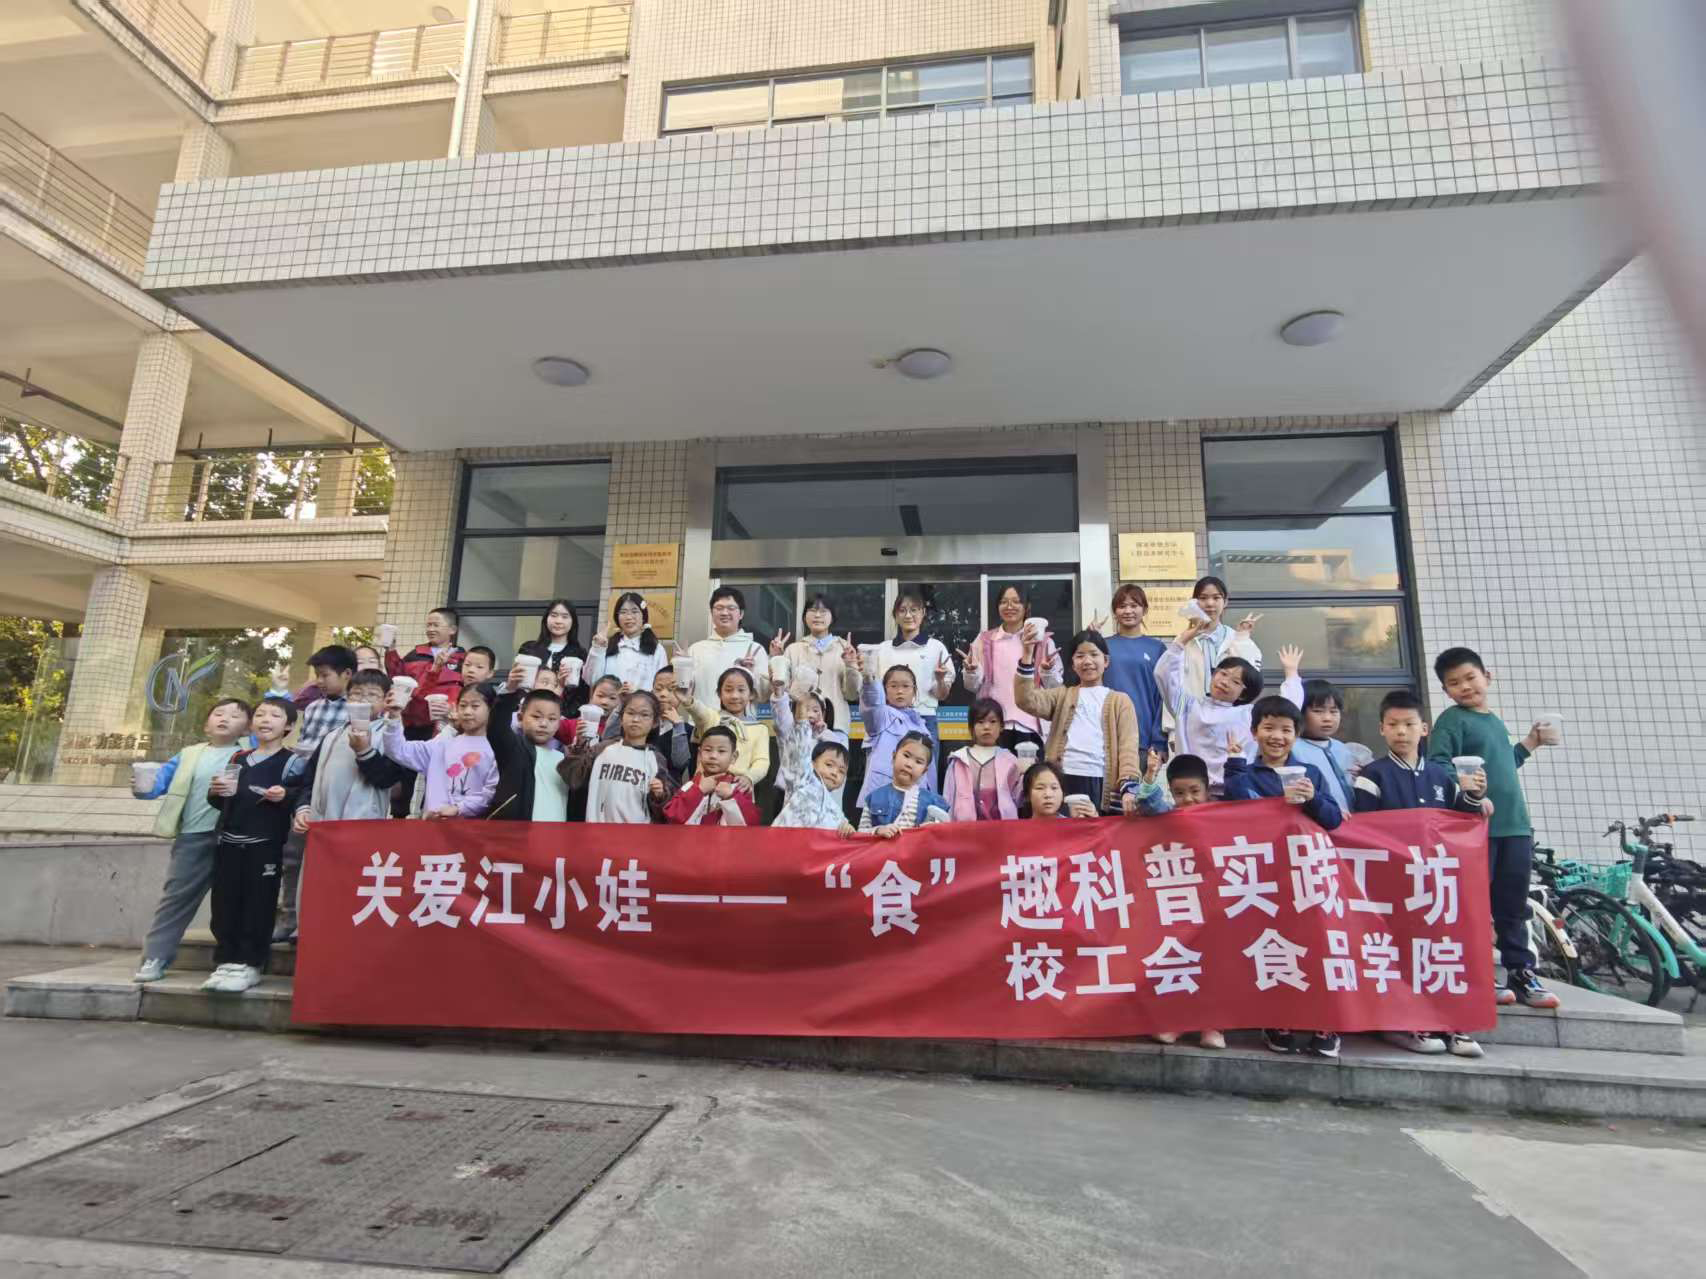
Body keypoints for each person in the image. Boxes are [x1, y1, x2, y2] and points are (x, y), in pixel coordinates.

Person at [1357, 688, 1490, 1059]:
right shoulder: (1372, 776)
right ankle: (1402, 1023)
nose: (1402, 731)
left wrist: (1474, 796)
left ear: (1424, 728)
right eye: (1393, 725)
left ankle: (1449, 1022)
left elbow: (1461, 823)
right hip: (1391, 885)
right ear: (1381, 729)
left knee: (1438, 952)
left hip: (1436, 882)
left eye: (1409, 724)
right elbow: (1362, 830)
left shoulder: (1441, 776)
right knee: (1398, 952)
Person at [1428, 646, 1561, 1010]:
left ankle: (1521, 972)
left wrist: (1531, 743)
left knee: (1513, 906)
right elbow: (1437, 765)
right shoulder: (1452, 721)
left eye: (1470, 678)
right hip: (1476, 828)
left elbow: (1504, 762)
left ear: (1488, 677)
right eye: (1454, 682)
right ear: (1446, 691)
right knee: (1473, 906)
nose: (1465, 687)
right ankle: (1476, 974)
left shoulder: (1494, 722)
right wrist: (1464, 785)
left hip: (1515, 826)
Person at [1222, 695, 1344, 1061]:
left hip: (1307, 878)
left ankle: (1326, 1022)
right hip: (1264, 881)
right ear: (1254, 732)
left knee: (1317, 946)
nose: (1277, 736)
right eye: (1269, 728)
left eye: (1286, 729)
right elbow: (1236, 808)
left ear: (1297, 734)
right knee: (1272, 947)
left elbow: (1333, 820)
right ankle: (1278, 1019)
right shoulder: (1246, 774)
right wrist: (1234, 764)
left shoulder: (1312, 774)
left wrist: (1312, 799)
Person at [130, 698, 252, 983]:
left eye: (235, 716)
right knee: (176, 899)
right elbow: (157, 785)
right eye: (218, 713)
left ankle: (233, 960)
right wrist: (141, 788)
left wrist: (279, 689)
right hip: (193, 837)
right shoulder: (188, 755)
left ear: (247, 728)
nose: (225, 718)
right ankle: (155, 957)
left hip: (236, 838)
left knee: (233, 902)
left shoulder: (250, 753)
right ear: (206, 724)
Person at [201, 696, 300, 994]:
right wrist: (216, 792)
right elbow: (220, 802)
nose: (265, 720)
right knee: (224, 902)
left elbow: (301, 796)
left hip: (265, 844)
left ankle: (250, 963)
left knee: (258, 904)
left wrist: (285, 795)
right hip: (229, 842)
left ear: (289, 726)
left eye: (275, 716)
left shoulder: (292, 761)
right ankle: (226, 960)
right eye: (260, 714)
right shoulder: (238, 759)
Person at [1157, 616, 1302, 790]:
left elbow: (1288, 709)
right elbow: (1164, 674)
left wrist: (1291, 673)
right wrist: (1182, 640)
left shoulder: (1249, 714)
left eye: (1235, 682)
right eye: (1223, 674)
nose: (1225, 682)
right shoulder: (1186, 706)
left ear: (1243, 694)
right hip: (1194, 794)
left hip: (1236, 792)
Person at [275, 643, 356, 940]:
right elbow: (305, 746)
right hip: (308, 789)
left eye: (325, 675)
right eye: (317, 675)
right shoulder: (313, 708)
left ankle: (322, 921)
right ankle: (290, 918)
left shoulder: (356, 710)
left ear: (347, 674)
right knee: (293, 856)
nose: (319, 681)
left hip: (337, 790)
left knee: (332, 861)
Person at [1014, 629, 1143, 815]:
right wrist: (1027, 655)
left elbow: (1128, 747)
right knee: (1063, 831)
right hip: (1063, 778)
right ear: (1073, 664)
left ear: (1106, 661)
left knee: (1097, 831)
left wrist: (1129, 788)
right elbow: (1026, 700)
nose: (1087, 661)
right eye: (1080, 656)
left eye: (1094, 654)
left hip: (1101, 781)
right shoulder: (1062, 696)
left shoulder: (1120, 701)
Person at [1149, 750, 1225, 1051]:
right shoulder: (1165, 816)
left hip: (1215, 904)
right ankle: (1176, 1021)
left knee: (1214, 965)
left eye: (1195, 791)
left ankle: (1213, 1025)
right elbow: (1146, 802)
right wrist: (1149, 778)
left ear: (1208, 789)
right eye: (1179, 793)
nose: (1188, 799)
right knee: (1180, 960)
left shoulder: (1222, 816)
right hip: (1178, 902)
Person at [290, 670, 402, 838]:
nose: (363, 699)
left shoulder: (389, 735)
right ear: (347, 699)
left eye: (372, 694)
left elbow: (387, 779)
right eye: (356, 693)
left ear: (385, 701)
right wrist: (304, 807)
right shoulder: (332, 736)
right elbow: (309, 778)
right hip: (322, 826)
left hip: (363, 829)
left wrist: (364, 751)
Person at [960, 585, 1062, 750]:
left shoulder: (1043, 641)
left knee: (1029, 767)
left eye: (1016, 601)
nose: (1009, 606)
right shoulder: (985, 640)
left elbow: (1055, 686)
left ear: (1026, 607)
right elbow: (972, 686)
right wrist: (971, 671)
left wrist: (1048, 671)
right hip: (994, 725)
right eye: (1004, 602)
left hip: (1031, 725)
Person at [377, 682, 497, 818]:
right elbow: (397, 750)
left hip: (472, 827)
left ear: (491, 709)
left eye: (475, 706)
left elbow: (490, 793)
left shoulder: (496, 748)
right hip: (432, 825)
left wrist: (458, 809)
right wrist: (394, 717)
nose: (467, 712)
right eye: (463, 706)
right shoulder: (443, 743)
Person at [868, 592, 954, 755]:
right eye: (902, 610)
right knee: (887, 768)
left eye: (914, 610)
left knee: (925, 769)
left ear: (923, 613)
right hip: (889, 720)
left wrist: (940, 680)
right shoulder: (883, 649)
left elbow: (942, 695)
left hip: (924, 718)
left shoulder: (936, 647)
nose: (908, 615)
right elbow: (873, 691)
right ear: (895, 615)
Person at [1093, 584, 1168, 759]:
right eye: (1122, 606)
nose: (1128, 611)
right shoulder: (1102, 646)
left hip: (1143, 740)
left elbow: (1162, 698)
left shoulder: (1157, 648)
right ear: (1115, 612)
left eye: (1134, 605)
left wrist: (1159, 741)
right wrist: (1090, 641)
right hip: (1103, 738)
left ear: (1145, 610)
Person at [776, 593, 863, 743]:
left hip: (835, 727)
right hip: (800, 727)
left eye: (823, 611)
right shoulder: (793, 650)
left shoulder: (844, 649)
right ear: (804, 616)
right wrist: (776, 659)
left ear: (832, 617)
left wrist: (850, 665)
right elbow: (781, 692)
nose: (817, 615)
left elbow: (852, 694)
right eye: (812, 610)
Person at [581, 691, 672, 823]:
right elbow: (573, 777)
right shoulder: (603, 748)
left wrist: (659, 795)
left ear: (655, 723)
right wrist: (579, 744)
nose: (635, 720)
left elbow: (663, 807)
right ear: (621, 717)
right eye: (630, 713)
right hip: (597, 829)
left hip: (636, 833)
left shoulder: (656, 759)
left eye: (644, 715)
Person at [487, 676, 570, 821]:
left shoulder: (563, 758)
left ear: (559, 723)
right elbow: (497, 728)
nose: (544, 724)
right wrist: (509, 691)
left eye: (552, 719)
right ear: (520, 718)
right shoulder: (515, 749)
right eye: (536, 717)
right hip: (519, 832)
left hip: (557, 832)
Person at [682, 586, 769, 721]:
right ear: (711, 612)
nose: (724, 612)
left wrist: (751, 674)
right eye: (719, 608)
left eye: (731, 608)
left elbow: (764, 696)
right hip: (702, 725)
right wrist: (680, 668)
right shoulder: (695, 649)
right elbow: (684, 691)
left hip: (741, 727)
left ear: (741, 614)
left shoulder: (755, 649)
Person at [1175, 575, 1264, 702]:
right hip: (1193, 710)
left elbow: (1251, 675)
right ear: (1194, 602)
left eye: (1216, 598)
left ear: (1225, 602)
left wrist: (1242, 638)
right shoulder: (1184, 640)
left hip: (1228, 710)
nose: (1210, 603)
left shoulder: (1235, 638)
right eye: (1203, 598)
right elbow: (1172, 682)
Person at [383, 606, 466, 739]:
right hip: (415, 722)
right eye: (428, 625)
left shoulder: (463, 659)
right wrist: (390, 650)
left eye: (436, 625)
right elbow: (398, 677)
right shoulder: (416, 654)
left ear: (453, 630)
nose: (430, 629)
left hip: (448, 723)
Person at [685, 667, 771, 790]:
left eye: (741, 690)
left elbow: (761, 761)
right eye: (728, 690)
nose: (735, 696)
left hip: (739, 788)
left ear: (751, 694)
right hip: (705, 787)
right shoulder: (711, 718)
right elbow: (699, 711)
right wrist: (688, 701)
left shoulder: (760, 729)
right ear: (719, 694)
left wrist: (749, 777)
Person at [942, 697, 1024, 820]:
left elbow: (1018, 799)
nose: (986, 727)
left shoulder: (1010, 761)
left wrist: (1025, 774)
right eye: (980, 722)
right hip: (965, 829)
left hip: (1002, 828)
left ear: (1002, 726)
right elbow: (947, 799)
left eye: (993, 721)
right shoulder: (958, 760)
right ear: (971, 728)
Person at [858, 664, 928, 806]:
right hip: (881, 797)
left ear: (914, 691)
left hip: (913, 801)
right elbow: (872, 704)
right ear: (884, 690)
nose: (900, 691)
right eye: (893, 686)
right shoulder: (881, 716)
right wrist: (869, 680)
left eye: (905, 686)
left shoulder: (921, 725)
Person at [664, 726, 761, 826]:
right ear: (699, 754)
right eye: (708, 750)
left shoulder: (740, 787)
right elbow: (672, 818)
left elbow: (751, 825)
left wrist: (731, 797)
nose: (713, 756)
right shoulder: (690, 785)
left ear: (733, 757)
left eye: (721, 751)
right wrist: (699, 791)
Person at [858, 732, 947, 836]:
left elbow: (942, 838)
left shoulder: (934, 803)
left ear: (924, 771)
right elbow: (860, 835)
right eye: (906, 755)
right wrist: (877, 830)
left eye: (918, 762)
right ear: (894, 756)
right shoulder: (874, 798)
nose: (909, 764)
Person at [1289, 679, 1357, 814]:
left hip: (1352, 819)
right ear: (1300, 713)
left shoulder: (1342, 749)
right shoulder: (1293, 748)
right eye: (1318, 711)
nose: (1327, 718)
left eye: (1334, 711)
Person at [587, 592, 668, 692]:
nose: (629, 617)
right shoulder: (607, 646)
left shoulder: (656, 649)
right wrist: (597, 649)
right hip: (610, 702)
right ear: (617, 617)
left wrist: (637, 693)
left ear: (643, 616)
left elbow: (662, 688)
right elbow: (592, 681)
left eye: (634, 611)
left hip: (642, 702)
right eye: (623, 612)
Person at [775, 734, 855, 833]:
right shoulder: (802, 783)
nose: (835, 773)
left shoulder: (836, 810)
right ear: (812, 764)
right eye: (829, 765)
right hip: (785, 840)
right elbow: (795, 748)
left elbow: (844, 827)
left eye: (841, 771)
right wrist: (803, 726)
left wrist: (847, 828)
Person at [770, 678, 834, 796]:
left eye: (815, 710)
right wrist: (779, 693)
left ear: (823, 714)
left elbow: (834, 753)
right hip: (787, 793)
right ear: (794, 713)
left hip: (815, 794)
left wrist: (822, 734)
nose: (810, 714)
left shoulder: (827, 735)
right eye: (805, 709)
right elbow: (781, 714)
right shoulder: (789, 730)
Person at [518, 598, 586, 700]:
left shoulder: (579, 653)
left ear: (573, 622)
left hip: (564, 708)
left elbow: (581, 692)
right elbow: (519, 684)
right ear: (546, 619)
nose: (558, 621)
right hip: (529, 705)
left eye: (565, 617)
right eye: (554, 615)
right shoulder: (529, 648)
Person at [653, 666, 694, 784]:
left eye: (671, 689)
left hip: (669, 789)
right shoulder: (644, 722)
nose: (663, 694)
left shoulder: (689, 730)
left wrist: (678, 727)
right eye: (658, 689)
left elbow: (680, 764)